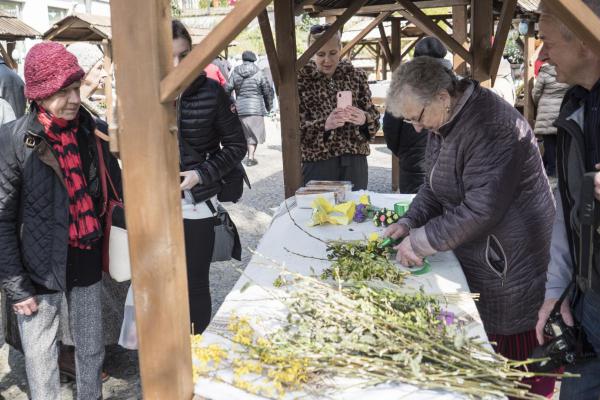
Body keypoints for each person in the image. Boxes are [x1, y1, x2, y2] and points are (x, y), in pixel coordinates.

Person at [383, 56, 556, 397]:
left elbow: (481, 208)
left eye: (416, 118)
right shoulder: (444, 120)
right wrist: (411, 220)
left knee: (517, 362)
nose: (416, 128)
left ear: (443, 97)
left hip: (510, 261)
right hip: (486, 254)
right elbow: (434, 185)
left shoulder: (492, 126)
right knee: (485, 351)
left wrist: (421, 242)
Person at [0, 41, 122, 400]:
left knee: (90, 346)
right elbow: (2, 219)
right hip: (36, 266)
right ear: (39, 94)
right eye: (62, 91)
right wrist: (16, 287)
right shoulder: (13, 141)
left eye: (75, 88)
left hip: (85, 252)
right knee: (41, 354)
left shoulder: (90, 132)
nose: (73, 98)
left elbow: (110, 190)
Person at [536, 2, 600, 399]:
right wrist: (557, 287)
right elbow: (569, 206)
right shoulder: (575, 101)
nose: (541, 55)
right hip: (587, 300)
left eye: (546, 43)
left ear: (585, 43)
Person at [172, 20, 246, 332]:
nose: (178, 65)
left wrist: (201, 174)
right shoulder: (140, 92)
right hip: (151, 202)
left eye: (185, 55)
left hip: (195, 202)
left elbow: (236, 145)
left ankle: (195, 351)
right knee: (160, 283)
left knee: (194, 283)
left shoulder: (212, 91)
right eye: (170, 58)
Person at [298, 24, 380, 189]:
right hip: (319, 162)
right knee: (318, 212)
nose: (327, 60)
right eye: (320, 54)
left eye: (333, 53)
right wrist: (325, 125)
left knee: (356, 212)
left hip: (355, 160)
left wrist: (365, 118)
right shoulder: (301, 81)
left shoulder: (356, 77)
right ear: (311, 52)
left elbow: (375, 119)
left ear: (340, 49)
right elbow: (293, 131)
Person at [383, 36, 450, 194]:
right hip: (442, 166)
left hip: (414, 165)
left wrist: (405, 153)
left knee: (414, 212)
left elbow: (390, 130)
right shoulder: (453, 85)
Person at [226, 50, 273, 166]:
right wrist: (269, 106)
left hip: (240, 107)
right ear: (254, 59)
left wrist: (231, 103)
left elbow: (227, 89)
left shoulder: (235, 72)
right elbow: (267, 91)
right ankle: (250, 157)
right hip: (255, 108)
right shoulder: (259, 72)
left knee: (244, 134)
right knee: (252, 135)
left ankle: (243, 156)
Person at [532, 63, 570, 177]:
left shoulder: (544, 72)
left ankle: (552, 171)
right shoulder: (567, 69)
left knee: (549, 143)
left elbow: (536, 93)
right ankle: (559, 170)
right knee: (561, 143)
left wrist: (539, 104)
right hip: (563, 109)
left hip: (546, 110)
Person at [68, 42, 110, 117]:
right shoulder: (74, 114)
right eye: (99, 68)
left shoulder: (92, 109)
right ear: (82, 72)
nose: (105, 74)